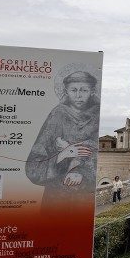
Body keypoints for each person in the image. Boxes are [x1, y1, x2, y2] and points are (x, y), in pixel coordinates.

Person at [26, 70, 99, 207]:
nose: (78, 95)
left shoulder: (97, 115)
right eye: (73, 90)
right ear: (66, 91)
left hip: (84, 197)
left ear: (92, 91)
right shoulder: (57, 115)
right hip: (56, 198)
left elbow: (98, 153)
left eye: (84, 90)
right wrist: (65, 153)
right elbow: (33, 164)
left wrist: (81, 171)